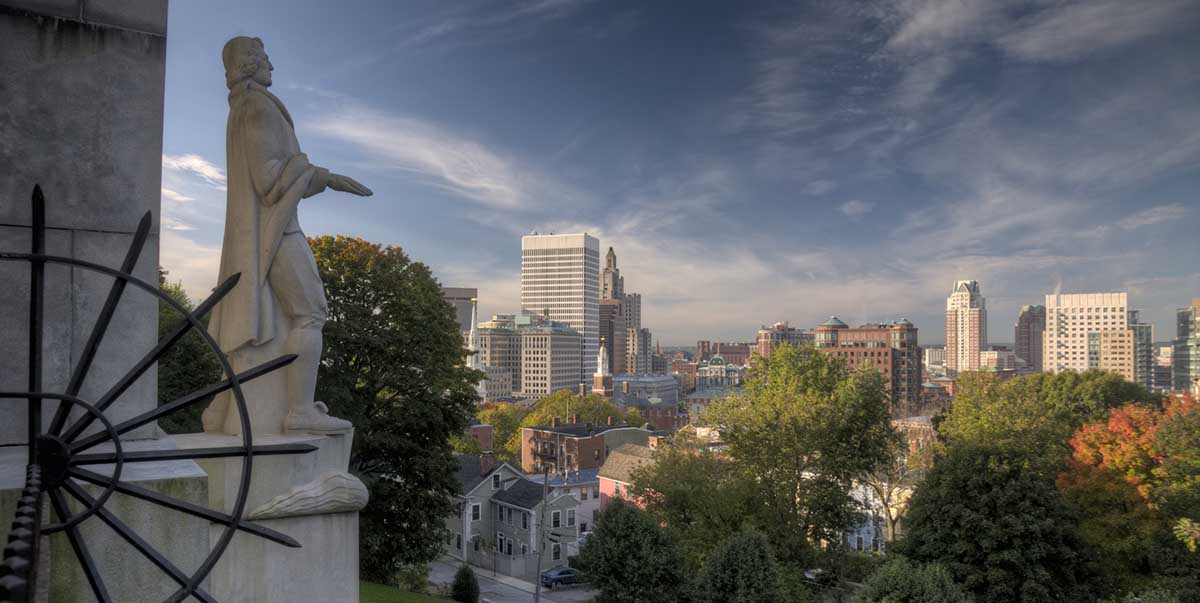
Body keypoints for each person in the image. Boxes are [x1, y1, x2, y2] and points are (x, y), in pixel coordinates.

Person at [203, 36, 371, 433]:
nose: (272, 67)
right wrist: (324, 176)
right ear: (247, 64)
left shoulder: (244, 107)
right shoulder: (258, 106)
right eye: (264, 59)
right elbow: (269, 180)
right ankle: (298, 412)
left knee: (253, 328)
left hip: (261, 232)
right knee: (311, 312)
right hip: (276, 233)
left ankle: (220, 407)